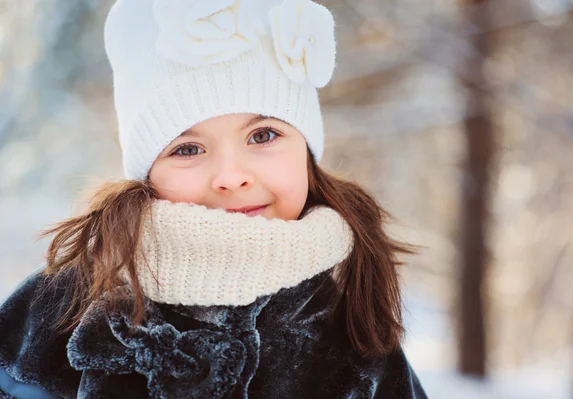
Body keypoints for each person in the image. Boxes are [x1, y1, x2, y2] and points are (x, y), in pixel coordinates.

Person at [0, 0, 429, 398]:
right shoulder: (64, 304)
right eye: (187, 149)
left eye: (263, 136)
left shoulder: (348, 327)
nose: (231, 177)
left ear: (306, 152)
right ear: (148, 175)